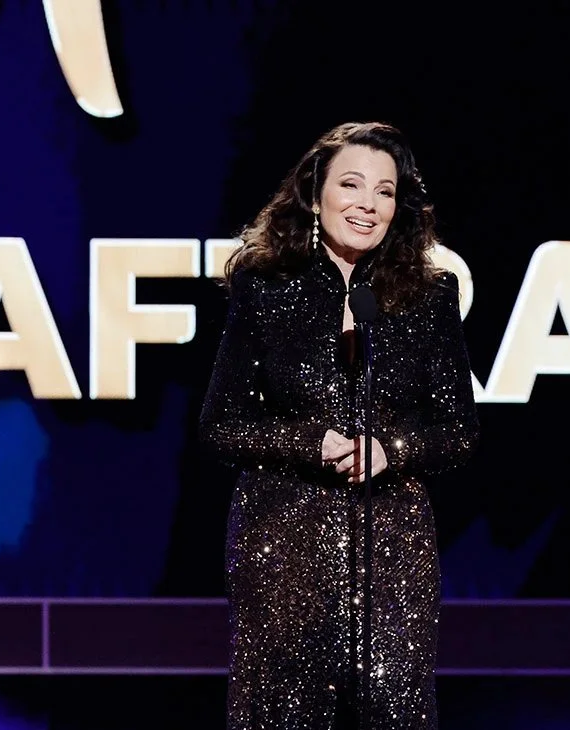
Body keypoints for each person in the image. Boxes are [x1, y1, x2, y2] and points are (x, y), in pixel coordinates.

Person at [199, 121, 480, 729]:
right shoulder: (264, 287)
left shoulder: (430, 295)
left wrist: (392, 449)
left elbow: (458, 432)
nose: (367, 204)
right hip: (283, 545)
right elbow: (221, 425)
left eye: (385, 191)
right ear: (315, 192)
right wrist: (311, 443)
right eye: (351, 185)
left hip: (393, 548)